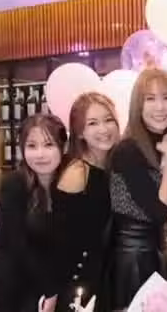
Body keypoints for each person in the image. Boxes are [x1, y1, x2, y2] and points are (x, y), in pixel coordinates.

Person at [0, 114, 68, 312]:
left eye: (48, 145)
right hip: (9, 285)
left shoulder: (69, 184)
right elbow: (17, 244)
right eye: (32, 146)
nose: (40, 154)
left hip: (47, 283)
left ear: (63, 147)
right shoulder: (15, 184)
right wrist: (50, 290)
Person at [108, 68, 167, 311]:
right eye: (150, 99)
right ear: (138, 105)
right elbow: (159, 212)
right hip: (135, 260)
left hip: (161, 252)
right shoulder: (128, 150)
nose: (159, 107)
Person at [42, 92, 120, 312]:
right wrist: (52, 295)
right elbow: (60, 242)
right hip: (80, 287)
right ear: (80, 132)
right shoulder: (78, 173)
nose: (104, 129)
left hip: (106, 278)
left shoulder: (112, 167)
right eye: (93, 123)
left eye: (108, 120)